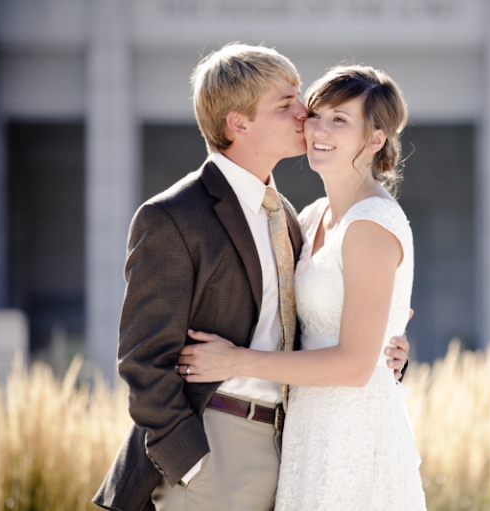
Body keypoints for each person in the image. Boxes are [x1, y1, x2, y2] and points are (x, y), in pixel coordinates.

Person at [93, 44, 410, 511]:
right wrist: (192, 465)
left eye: (300, 99)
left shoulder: (290, 217)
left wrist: (388, 350)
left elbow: (330, 324)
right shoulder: (173, 216)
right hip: (215, 450)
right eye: (286, 104)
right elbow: (142, 361)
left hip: (296, 447)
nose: (304, 114)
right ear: (238, 123)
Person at [178, 65, 426, 509]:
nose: (319, 130)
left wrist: (235, 360)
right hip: (307, 429)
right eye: (316, 115)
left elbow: (355, 367)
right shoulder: (309, 217)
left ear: (375, 139)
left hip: (354, 434)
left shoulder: (371, 225)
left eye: (340, 120)